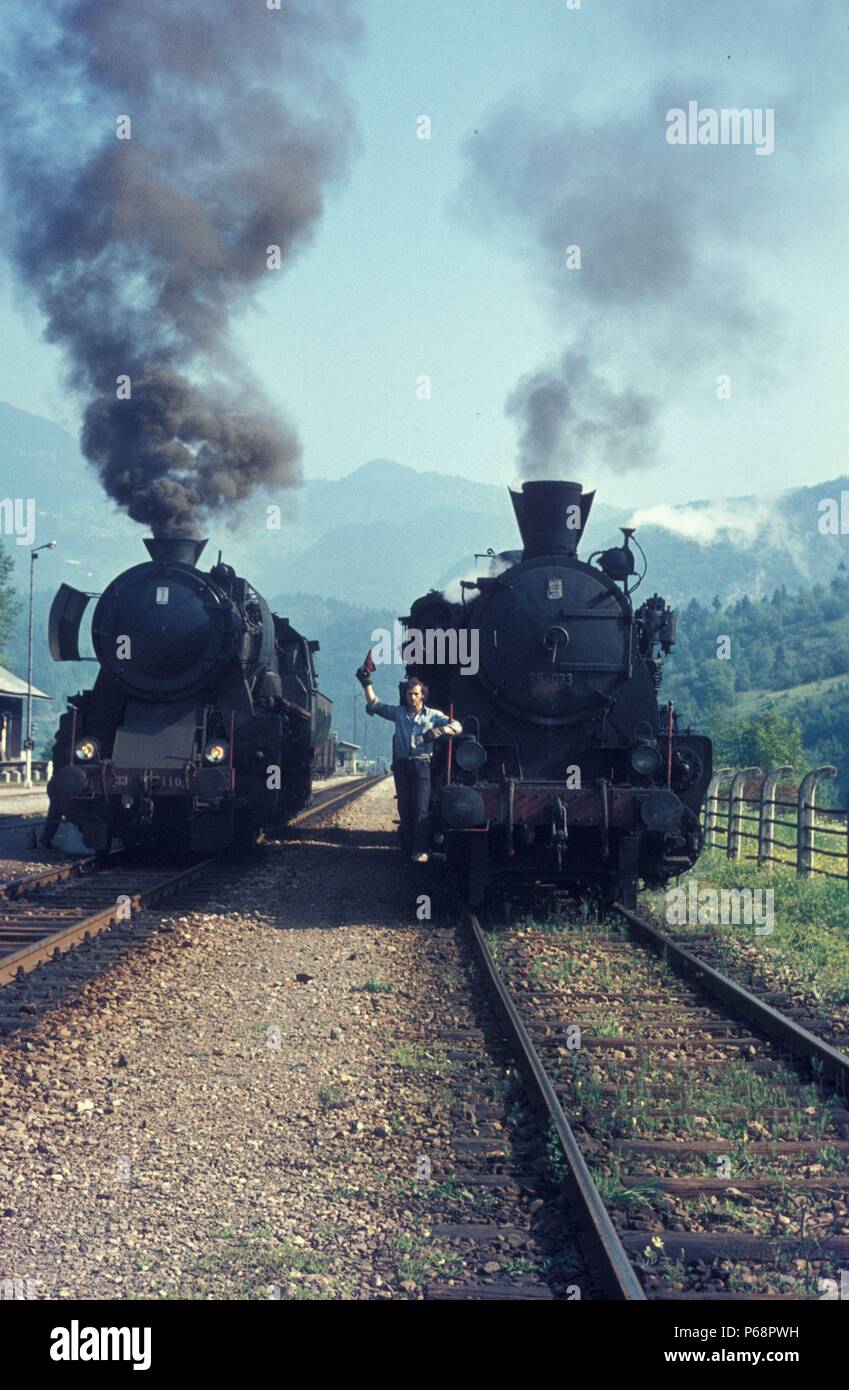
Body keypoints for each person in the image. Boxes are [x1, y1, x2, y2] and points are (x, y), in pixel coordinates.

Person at [356, 669, 461, 862]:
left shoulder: (433, 715)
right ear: (406, 695)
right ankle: (408, 848)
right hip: (402, 766)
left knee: (421, 808)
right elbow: (375, 705)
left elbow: (457, 726)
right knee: (404, 808)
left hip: (422, 765)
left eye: (416, 694)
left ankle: (422, 850)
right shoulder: (399, 714)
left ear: (422, 696)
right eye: (409, 694)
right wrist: (366, 684)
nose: (412, 697)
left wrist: (439, 731)